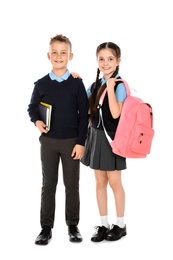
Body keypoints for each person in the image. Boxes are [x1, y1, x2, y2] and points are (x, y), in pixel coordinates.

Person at [27, 34, 89, 245]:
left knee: (72, 185)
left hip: (72, 142)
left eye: (63, 53)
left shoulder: (77, 83)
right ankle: (46, 228)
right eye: (55, 52)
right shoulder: (42, 84)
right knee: (48, 185)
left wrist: (81, 142)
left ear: (70, 56)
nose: (59, 56)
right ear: (48, 55)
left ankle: (73, 225)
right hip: (49, 143)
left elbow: (84, 115)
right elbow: (32, 107)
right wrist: (36, 121)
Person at [81, 42, 127, 242]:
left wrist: (109, 86)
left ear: (118, 61)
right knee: (100, 182)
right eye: (101, 59)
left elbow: (116, 113)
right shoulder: (94, 85)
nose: (105, 63)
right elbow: (87, 111)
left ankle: (120, 224)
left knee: (115, 182)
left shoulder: (119, 86)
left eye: (110, 59)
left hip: (112, 139)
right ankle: (103, 224)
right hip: (95, 137)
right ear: (96, 61)